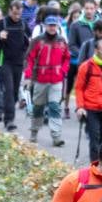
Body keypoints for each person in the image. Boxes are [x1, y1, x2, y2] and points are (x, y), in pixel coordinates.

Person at [24, 15, 72, 146]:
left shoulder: (62, 41)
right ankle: (34, 132)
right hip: (40, 79)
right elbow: (29, 59)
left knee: (54, 107)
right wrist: (28, 76)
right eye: (49, 25)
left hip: (56, 80)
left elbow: (67, 58)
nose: (52, 27)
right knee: (38, 107)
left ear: (57, 26)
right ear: (45, 26)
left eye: (54, 25)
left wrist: (63, 70)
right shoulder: (38, 41)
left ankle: (56, 136)